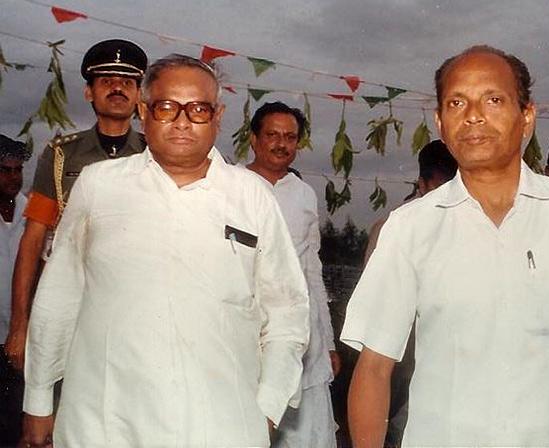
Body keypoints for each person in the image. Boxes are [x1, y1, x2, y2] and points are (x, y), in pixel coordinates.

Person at [341, 45, 549, 447]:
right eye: (457, 102)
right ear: (440, 122)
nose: (474, 115)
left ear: (526, 115)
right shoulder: (409, 227)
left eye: (493, 99)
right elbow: (374, 368)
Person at [22, 54, 309, 447]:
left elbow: (287, 312)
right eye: (167, 107)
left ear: (218, 116)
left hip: (222, 423)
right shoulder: (98, 185)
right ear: (143, 111)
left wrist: (269, 408)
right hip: (105, 422)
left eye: (198, 109)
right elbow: (60, 295)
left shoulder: (252, 197)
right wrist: (38, 398)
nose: (182, 121)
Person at [4, 39, 148, 372]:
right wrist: (19, 326)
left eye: (127, 82)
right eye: (106, 81)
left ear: (139, 95)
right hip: (69, 304)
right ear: (89, 92)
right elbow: (32, 241)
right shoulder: (60, 155)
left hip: (136, 309)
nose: (117, 88)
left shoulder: (153, 155)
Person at [246, 101, 339, 448]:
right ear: (254, 139)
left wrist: (327, 342)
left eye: (290, 137)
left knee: (306, 435)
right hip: (248, 330)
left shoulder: (303, 194)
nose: (281, 144)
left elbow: (312, 269)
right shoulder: (233, 187)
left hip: (303, 335)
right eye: (272, 135)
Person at [362, 139, 457, 448]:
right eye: (437, 188)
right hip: (400, 360)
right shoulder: (394, 228)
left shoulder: (469, 224)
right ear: (422, 184)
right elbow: (375, 309)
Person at [0, 135, 30, 446]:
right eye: (5, 170)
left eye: (17, 170)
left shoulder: (31, 214)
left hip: (21, 342)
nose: (13, 177)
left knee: (19, 425)